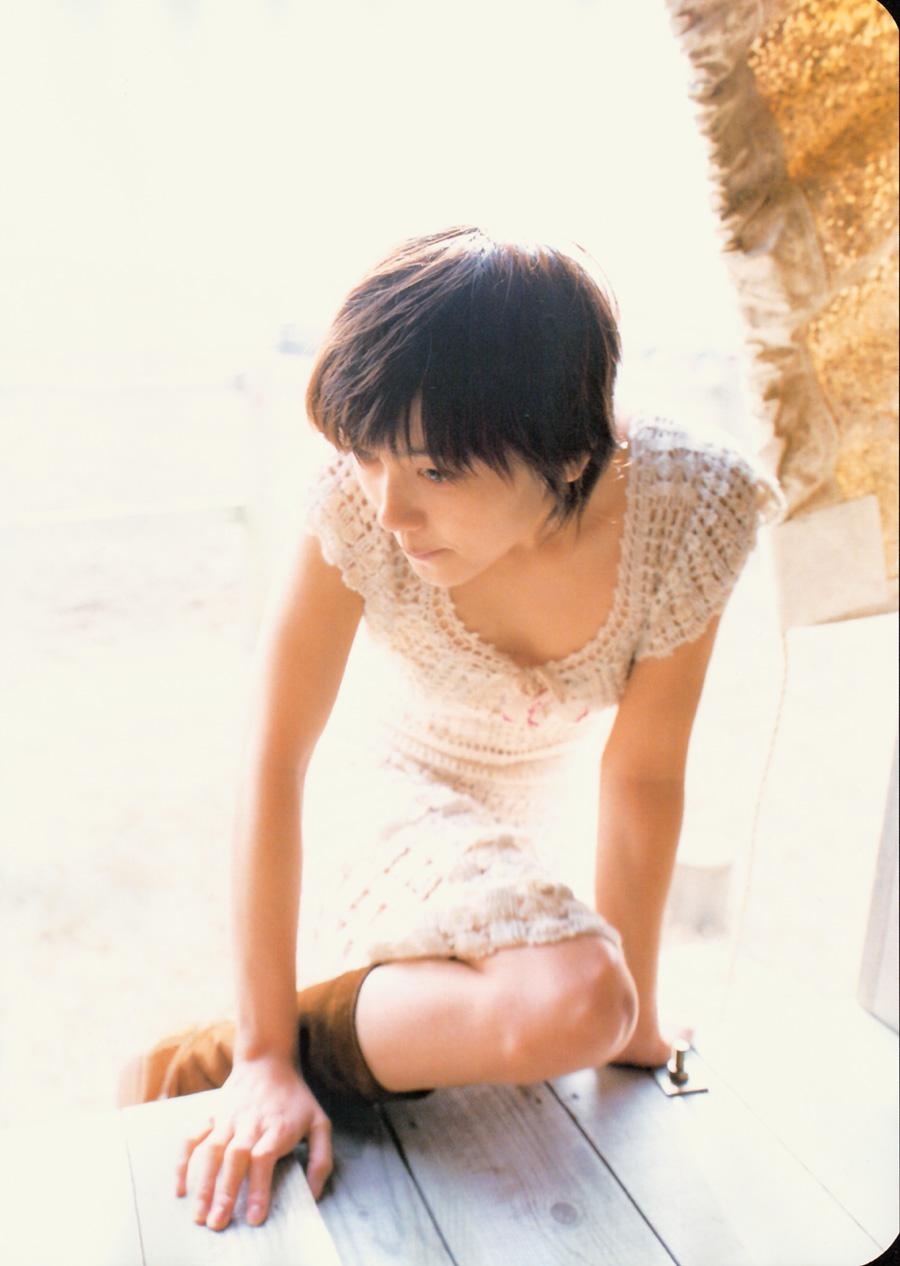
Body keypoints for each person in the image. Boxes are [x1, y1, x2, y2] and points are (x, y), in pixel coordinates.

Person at [119, 225, 777, 1232]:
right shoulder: (355, 508)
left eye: (432, 470)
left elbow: (643, 773)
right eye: (367, 454)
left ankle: (266, 1034)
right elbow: (274, 759)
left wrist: (641, 1015)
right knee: (576, 1000)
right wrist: (262, 1057)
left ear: (568, 451)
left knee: (591, 1008)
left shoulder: (694, 507)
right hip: (384, 793)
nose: (392, 508)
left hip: (524, 822)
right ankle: (214, 1054)